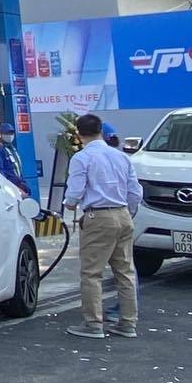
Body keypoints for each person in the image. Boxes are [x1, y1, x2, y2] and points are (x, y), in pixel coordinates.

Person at [63, 113, 143, 340]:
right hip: (123, 214)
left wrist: (69, 203)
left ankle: (93, 324)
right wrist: (128, 212)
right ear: (100, 131)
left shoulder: (81, 158)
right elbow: (135, 192)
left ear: (78, 134)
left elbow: (75, 193)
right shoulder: (122, 157)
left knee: (91, 273)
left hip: (98, 217)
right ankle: (128, 323)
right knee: (125, 272)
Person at [0, 122, 29, 194]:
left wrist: (23, 183)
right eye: (7, 133)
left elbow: (17, 168)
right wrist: (7, 186)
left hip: (19, 183)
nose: (10, 135)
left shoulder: (12, 148)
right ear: (1, 134)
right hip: (11, 185)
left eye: (11, 133)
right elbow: (0, 170)